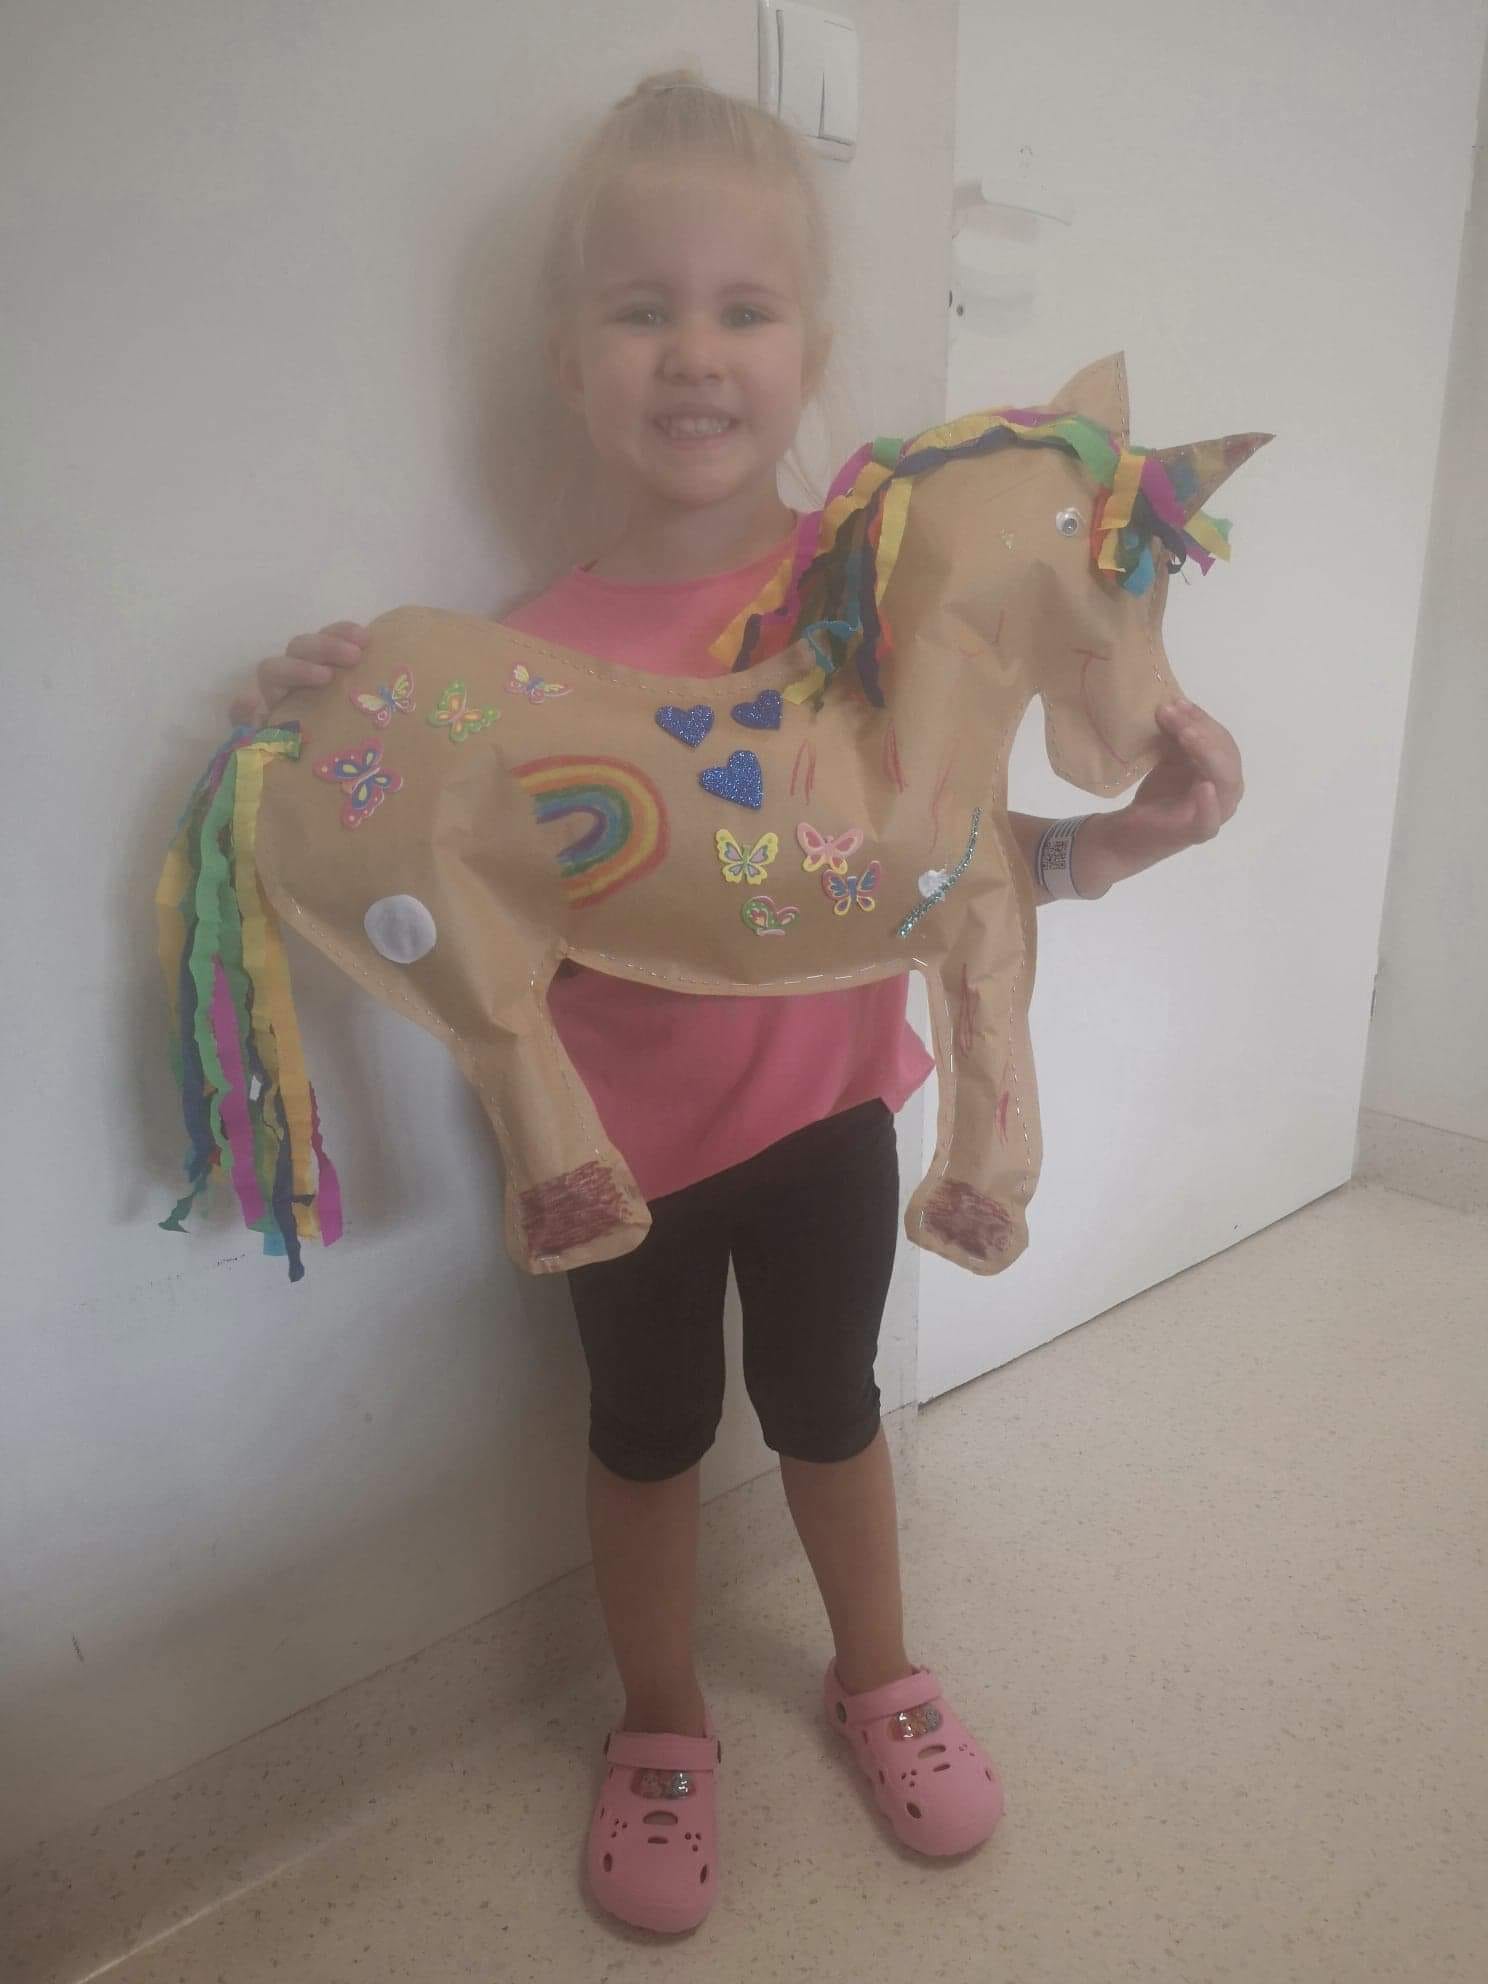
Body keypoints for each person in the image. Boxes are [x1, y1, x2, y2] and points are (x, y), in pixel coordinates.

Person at [228, 70, 1245, 1936]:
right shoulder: (521, 663)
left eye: (744, 309)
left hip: (833, 1121)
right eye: (644, 309)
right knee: (646, 1438)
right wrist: (329, 726)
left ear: (809, 356)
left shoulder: (874, 600)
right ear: (571, 362)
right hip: (619, 1157)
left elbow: (939, 865)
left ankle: (882, 1676)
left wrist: (1125, 843)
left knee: (833, 1412)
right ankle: (662, 1725)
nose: (695, 353)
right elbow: (449, 853)